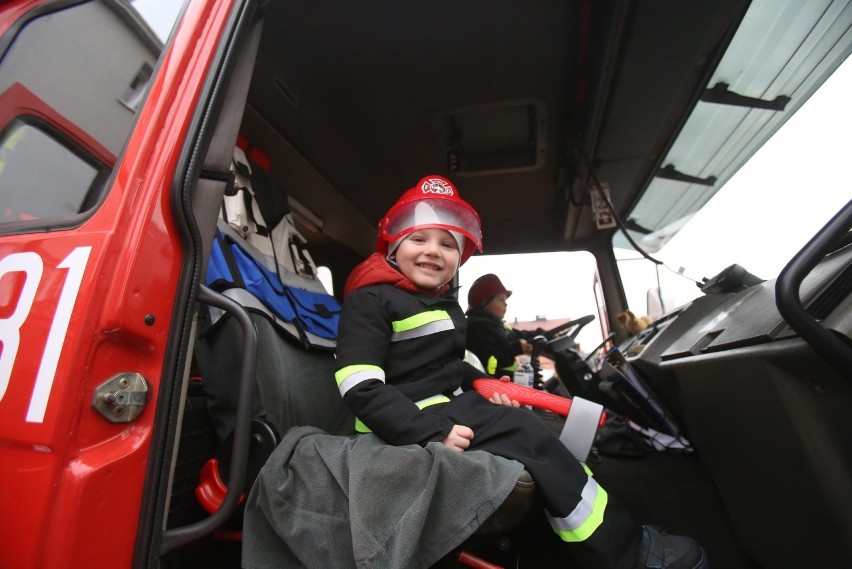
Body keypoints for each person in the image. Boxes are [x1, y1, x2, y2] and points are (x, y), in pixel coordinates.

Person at [333, 174, 708, 569]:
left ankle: (561, 527)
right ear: (392, 245)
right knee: (530, 436)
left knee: (528, 426)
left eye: (448, 244)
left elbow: (448, 366)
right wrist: (428, 432)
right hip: (404, 422)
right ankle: (625, 555)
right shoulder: (371, 301)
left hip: (443, 407)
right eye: (419, 239)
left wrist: (488, 387)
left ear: (459, 259)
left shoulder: (438, 305)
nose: (434, 252)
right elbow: (358, 385)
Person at [465, 273, 536, 378]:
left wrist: (545, 334)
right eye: (501, 300)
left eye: (505, 300)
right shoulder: (476, 329)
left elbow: (521, 335)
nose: (505, 304)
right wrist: (516, 348)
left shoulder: (499, 326)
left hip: (508, 380)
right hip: (492, 384)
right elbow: (487, 358)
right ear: (484, 303)